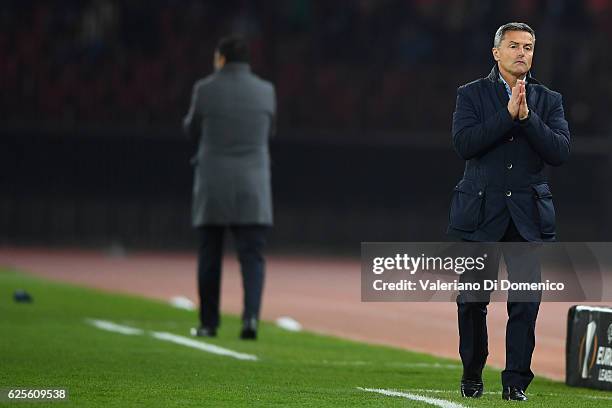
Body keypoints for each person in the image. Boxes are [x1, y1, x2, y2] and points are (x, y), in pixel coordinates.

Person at [448, 22, 570, 401]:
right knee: (472, 301)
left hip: (528, 216)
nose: (522, 53)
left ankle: (516, 380)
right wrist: (507, 115)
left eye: (529, 46)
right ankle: (472, 373)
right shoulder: (470, 94)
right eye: (514, 46)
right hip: (480, 214)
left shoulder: (549, 100)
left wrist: (528, 118)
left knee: (525, 302)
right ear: (496, 52)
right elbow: (465, 144)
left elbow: (560, 151)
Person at [183, 35, 276, 340]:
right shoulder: (266, 91)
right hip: (253, 184)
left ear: (221, 58)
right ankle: (250, 319)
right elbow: (270, 131)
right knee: (252, 257)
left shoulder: (205, 89)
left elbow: (191, 129)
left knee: (210, 255)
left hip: (214, 183)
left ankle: (209, 323)